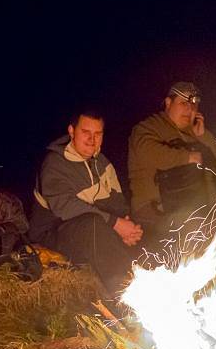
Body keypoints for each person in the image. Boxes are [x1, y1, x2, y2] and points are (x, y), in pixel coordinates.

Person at [29, 109, 143, 294]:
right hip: (52, 234)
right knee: (94, 226)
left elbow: (117, 203)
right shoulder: (55, 163)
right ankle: (127, 294)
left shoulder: (103, 163)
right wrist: (115, 223)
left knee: (143, 230)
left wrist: (128, 227)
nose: (92, 139)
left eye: (98, 134)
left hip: (92, 229)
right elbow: (64, 207)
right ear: (72, 131)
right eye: (86, 132)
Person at [127, 82, 216, 238]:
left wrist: (203, 136)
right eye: (183, 103)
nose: (189, 109)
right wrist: (188, 157)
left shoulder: (194, 132)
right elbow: (150, 153)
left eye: (194, 106)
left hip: (197, 208)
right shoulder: (147, 128)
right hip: (154, 209)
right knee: (191, 228)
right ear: (168, 103)